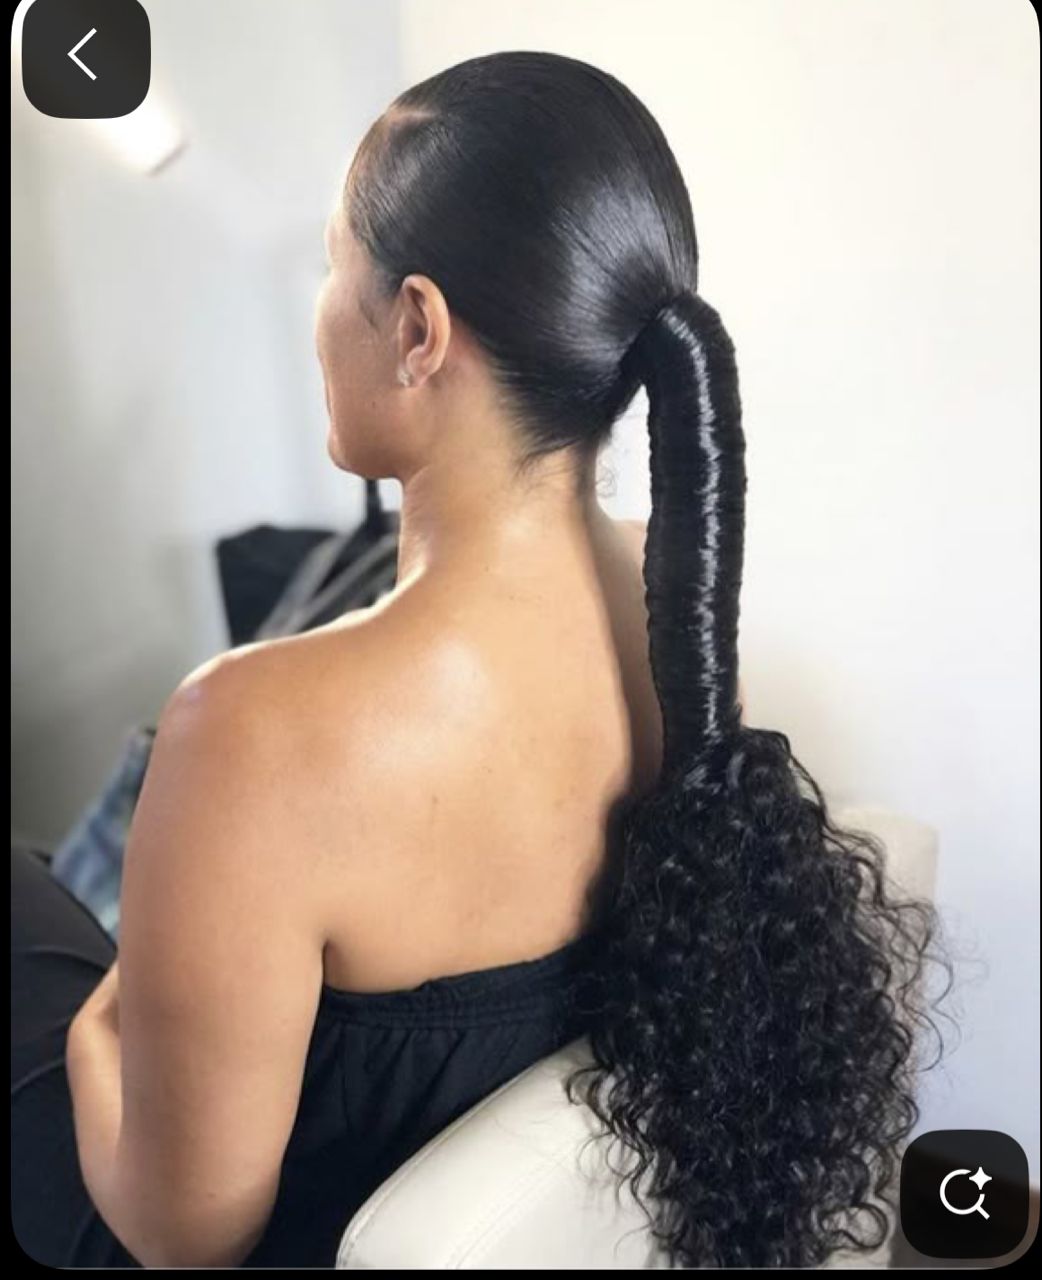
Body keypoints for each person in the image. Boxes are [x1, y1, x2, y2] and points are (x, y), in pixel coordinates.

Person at [11, 50, 950, 1269]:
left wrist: (105, 1023)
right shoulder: (676, 612)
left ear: (416, 329)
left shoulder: (249, 727)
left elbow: (183, 1233)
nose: (316, 310)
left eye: (332, 264)